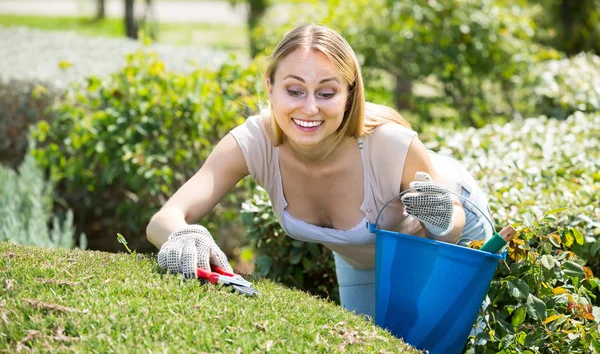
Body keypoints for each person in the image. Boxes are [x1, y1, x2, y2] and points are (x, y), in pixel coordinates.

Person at [147, 23, 493, 319]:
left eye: (326, 92)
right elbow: (165, 218)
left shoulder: (390, 144)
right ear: (270, 86)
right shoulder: (254, 142)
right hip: (361, 259)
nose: (309, 108)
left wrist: (440, 216)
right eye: (294, 90)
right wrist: (183, 234)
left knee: (440, 342)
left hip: (449, 236)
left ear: (349, 93)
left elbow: (448, 234)